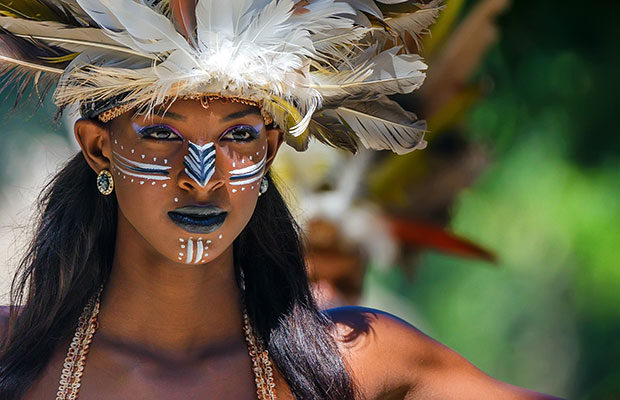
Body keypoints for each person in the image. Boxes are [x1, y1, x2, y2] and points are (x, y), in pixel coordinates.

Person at [0, 1, 564, 399]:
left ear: (271, 149)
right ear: (99, 148)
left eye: (238, 135)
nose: (201, 179)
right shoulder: (13, 355)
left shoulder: (359, 360)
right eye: (162, 134)